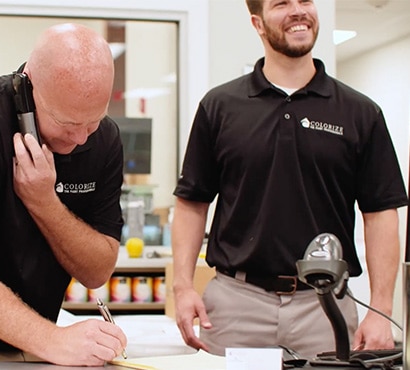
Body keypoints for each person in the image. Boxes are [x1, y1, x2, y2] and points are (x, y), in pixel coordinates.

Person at [171, 0, 408, 359]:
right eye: (282, 3)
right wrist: (182, 286)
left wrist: (380, 309)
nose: (299, 10)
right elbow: (192, 202)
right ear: (258, 23)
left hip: (325, 307)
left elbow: (380, 213)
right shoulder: (219, 106)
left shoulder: (361, 112)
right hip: (237, 305)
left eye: (305, 1)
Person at [0, 23, 127, 366]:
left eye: (93, 121)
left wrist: (44, 203)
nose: (81, 138)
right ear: (29, 90)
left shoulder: (104, 139)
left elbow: (97, 270)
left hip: (33, 335)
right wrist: (52, 340)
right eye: (66, 124)